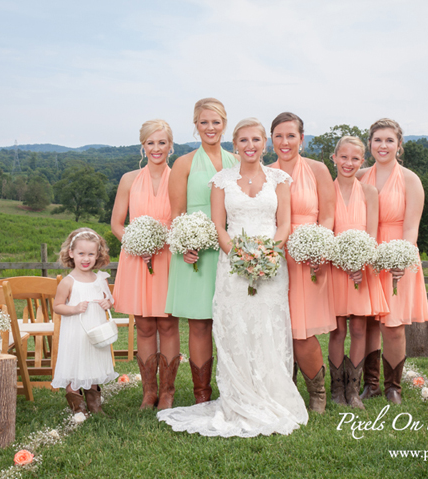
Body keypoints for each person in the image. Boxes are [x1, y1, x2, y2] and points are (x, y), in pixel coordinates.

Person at [157, 118, 307, 436]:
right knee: (237, 329)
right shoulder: (220, 181)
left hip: (271, 264)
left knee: (267, 328)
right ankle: (238, 397)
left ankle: (270, 397)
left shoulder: (280, 179)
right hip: (232, 265)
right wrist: (238, 255)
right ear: (235, 145)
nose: (250, 146)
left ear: (264, 143)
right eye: (243, 141)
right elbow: (219, 227)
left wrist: (267, 253)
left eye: (256, 140)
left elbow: (284, 225)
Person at [165, 98, 237, 403]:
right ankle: (201, 394)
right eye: (204, 122)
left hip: (231, 250)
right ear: (196, 125)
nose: (210, 127)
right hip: (195, 255)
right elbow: (177, 213)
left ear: (224, 124)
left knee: (232, 321)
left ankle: (233, 390)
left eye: (216, 122)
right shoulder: (184, 163)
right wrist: (185, 244)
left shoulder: (236, 161)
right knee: (200, 323)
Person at [357, 119, 428, 404]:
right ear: (370, 144)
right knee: (368, 323)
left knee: (393, 325)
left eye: (389, 140)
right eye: (377, 140)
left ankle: (393, 387)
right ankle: (370, 384)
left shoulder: (410, 179)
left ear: (399, 146)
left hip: (398, 254)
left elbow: (412, 226)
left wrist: (401, 256)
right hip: (368, 254)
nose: (383, 145)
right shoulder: (361, 176)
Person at [269, 112, 336, 414]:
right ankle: (284, 390)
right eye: (279, 136)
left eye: (291, 136)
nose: (285, 142)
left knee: (303, 331)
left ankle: (318, 395)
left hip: (309, 258)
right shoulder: (263, 173)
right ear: (271, 140)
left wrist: (320, 249)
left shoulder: (318, 169)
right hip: (274, 258)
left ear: (301, 139)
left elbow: (328, 215)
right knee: (277, 329)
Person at [111, 119, 179, 410]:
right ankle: (148, 392)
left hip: (168, 257)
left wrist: (160, 243)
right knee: (145, 326)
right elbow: (116, 224)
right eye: (150, 143)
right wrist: (138, 243)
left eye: (161, 142)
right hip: (136, 258)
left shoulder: (179, 178)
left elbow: (180, 221)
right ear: (143, 146)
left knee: (168, 323)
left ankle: (167, 393)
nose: (156, 148)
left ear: (170, 146)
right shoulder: (128, 179)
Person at [327, 136, 389, 409]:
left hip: (362, 270)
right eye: (343, 157)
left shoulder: (369, 192)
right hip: (336, 269)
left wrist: (361, 264)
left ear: (362, 161)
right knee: (338, 330)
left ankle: (354, 389)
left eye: (355, 158)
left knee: (361, 328)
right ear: (334, 158)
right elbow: (325, 232)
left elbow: (372, 234)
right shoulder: (326, 191)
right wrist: (342, 262)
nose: (348, 163)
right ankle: (337, 389)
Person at [52, 227, 118, 414]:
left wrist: (108, 303)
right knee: (75, 365)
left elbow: (110, 300)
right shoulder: (68, 282)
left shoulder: (100, 279)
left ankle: (95, 405)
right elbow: (57, 306)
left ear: (98, 255)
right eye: (81, 253)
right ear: (71, 253)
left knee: (93, 364)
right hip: (75, 334)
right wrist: (73, 308)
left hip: (96, 332)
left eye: (91, 254)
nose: (86, 258)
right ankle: (78, 407)